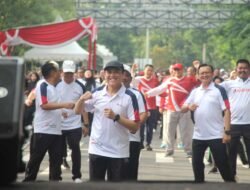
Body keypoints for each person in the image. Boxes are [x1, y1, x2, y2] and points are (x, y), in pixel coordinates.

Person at [74, 60, 140, 182]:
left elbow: (135, 126)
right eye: (109, 72)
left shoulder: (130, 97)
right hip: (97, 149)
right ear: (104, 74)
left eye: (116, 72)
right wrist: (81, 99)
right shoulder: (97, 93)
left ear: (122, 75)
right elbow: (77, 111)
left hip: (118, 152)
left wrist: (117, 117)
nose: (112, 75)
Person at [181, 63, 235, 183]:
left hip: (216, 135)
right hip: (199, 135)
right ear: (198, 75)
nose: (204, 75)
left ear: (212, 74)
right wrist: (189, 106)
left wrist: (227, 131)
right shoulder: (195, 92)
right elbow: (182, 108)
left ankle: (231, 184)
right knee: (196, 165)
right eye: (202, 73)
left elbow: (226, 110)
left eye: (207, 73)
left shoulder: (219, 90)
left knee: (222, 165)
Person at [23, 61, 75, 182]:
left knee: (56, 162)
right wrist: (64, 105)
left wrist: (62, 112)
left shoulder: (54, 88)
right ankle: (28, 182)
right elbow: (44, 105)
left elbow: (54, 105)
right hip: (43, 130)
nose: (60, 73)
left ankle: (55, 183)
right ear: (52, 72)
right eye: (58, 70)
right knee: (36, 160)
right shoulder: (43, 85)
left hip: (56, 130)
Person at [146, 63, 197, 158]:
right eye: (175, 70)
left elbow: (198, 82)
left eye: (179, 70)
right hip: (171, 109)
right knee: (169, 131)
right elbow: (159, 89)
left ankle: (188, 150)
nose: (177, 71)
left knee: (185, 131)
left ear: (182, 70)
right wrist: (148, 93)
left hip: (184, 110)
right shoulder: (170, 81)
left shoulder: (189, 80)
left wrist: (197, 68)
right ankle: (169, 150)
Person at [56, 60, 89, 183]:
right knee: (57, 150)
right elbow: (51, 102)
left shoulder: (80, 86)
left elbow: (84, 106)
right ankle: (56, 176)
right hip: (58, 124)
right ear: (61, 72)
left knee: (75, 149)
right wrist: (60, 110)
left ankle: (77, 176)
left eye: (70, 73)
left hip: (74, 124)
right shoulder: (56, 85)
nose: (68, 76)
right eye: (66, 73)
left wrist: (86, 124)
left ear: (74, 73)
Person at [220, 59, 250, 180]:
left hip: (249, 124)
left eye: (245, 68)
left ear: (249, 69)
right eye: (240, 68)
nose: (242, 70)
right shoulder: (228, 84)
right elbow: (212, 88)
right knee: (231, 153)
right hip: (233, 124)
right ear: (236, 69)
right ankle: (231, 177)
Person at [122, 64, 148, 181]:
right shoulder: (107, 93)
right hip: (113, 140)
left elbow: (144, 114)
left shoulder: (136, 94)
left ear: (130, 78)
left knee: (130, 173)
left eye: (126, 75)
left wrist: (135, 127)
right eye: (121, 74)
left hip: (132, 139)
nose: (123, 77)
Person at [131, 64, 159, 151]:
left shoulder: (155, 81)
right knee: (141, 126)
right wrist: (133, 71)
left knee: (150, 127)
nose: (149, 72)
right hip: (141, 107)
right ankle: (141, 142)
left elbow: (159, 91)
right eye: (148, 70)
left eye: (151, 70)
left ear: (153, 71)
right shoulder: (139, 79)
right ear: (144, 70)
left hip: (152, 107)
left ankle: (148, 143)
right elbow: (132, 82)